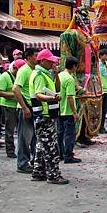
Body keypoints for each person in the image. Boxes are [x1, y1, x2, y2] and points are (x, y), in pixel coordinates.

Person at [29, 49, 68, 184]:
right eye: (50, 61)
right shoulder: (39, 75)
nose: (52, 63)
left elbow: (57, 87)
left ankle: (38, 172)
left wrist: (56, 74)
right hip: (43, 115)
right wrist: (53, 98)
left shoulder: (47, 74)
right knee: (51, 148)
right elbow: (39, 94)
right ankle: (53, 175)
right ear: (42, 60)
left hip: (46, 115)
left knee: (42, 146)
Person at [13, 48, 38, 174]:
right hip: (25, 108)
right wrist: (24, 107)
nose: (37, 58)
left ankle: (32, 160)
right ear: (28, 57)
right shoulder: (23, 70)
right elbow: (16, 89)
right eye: (35, 55)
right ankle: (22, 163)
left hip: (33, 107)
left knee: (33, 136)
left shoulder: (34, 70)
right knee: (24, 137)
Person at [0, 59, 26, 158]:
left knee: (20, 129)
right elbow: (0, 92)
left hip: (18, 106)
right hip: (8, 106)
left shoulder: (19, 76)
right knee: (10, 129)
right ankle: (10, 150)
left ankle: (21, 150)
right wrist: (15, 95)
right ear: (14, 68)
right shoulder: (4, 76)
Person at [58, 57, 82, 164]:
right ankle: (68, 155)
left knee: (60, 133)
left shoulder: (60, 75)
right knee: (69, 135)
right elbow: (70, 97)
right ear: (73, 66)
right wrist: (74, 112)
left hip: (60, 109)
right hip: (68, 111)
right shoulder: (69, 79)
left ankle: (61, 154)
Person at [98, 49, 107, 134]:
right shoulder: (97, 65)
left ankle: (102, 127)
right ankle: (98, 127)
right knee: (99, 111)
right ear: (101, 55)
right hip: (100, 90)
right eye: (106, 55)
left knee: (104, 110)